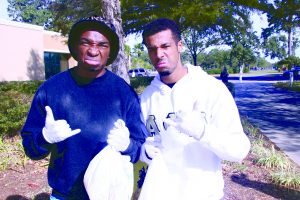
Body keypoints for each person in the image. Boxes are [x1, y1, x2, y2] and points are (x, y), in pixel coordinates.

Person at [21, 16, 146, 200]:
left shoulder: (124, 93)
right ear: (75, 47)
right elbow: (30, 149)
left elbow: (140, 149)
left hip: (110, 195)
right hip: (64, 195)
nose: (94, 51)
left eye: (102, 45)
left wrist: (127, 146)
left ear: (110, 51)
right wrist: (45, 137)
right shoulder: (51, 90)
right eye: (86, 43)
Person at [139, 18, 250, 200]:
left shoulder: (211, 89)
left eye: (165, 46)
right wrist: (145, 152)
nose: (159, 54)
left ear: (179, 46)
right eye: (152, 48)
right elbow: (144, 146)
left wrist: (203, 132)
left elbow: (239, 151)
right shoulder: (146, 99)